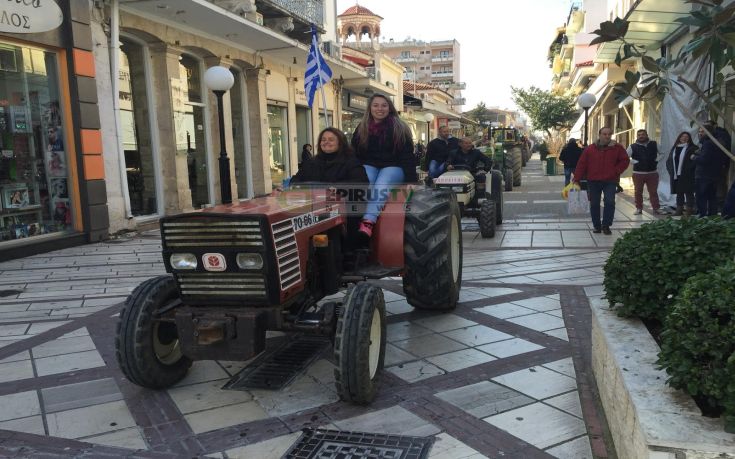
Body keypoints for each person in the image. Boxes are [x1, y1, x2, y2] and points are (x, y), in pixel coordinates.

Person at [351, 93, 415, 238]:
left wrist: (411, 181)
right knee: (365, 180)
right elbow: (354, 154)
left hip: (394, 166)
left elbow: (407, 156)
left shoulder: (400, 127)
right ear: (370, 108)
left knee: (382, 183)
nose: (380, 109)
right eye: (376, 105)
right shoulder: (362, 128)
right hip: (370, 165)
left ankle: (368, 221)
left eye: (384, 105)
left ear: (390, 108)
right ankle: (355, 218)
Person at [573, 127, 630, 235]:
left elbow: (625, 160)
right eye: (604, 134)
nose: (607, 136)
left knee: (609, 202)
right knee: (594, 204)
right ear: (599, 135)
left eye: (609, 134)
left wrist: (616, 170)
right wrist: (577, 178)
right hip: (593, 181)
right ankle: (597, 226)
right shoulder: (590, 148)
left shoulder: (617, 148)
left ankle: (606, 225)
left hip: (610, 180)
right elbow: (582, 164)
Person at [291, 129, 367, 185]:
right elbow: (296, 180)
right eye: (323, 140)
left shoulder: (351, 162)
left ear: (340, 143)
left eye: (331, 140)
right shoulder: (311, 162)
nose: (326, 142)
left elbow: (361, 185)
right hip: (312, 204)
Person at [695, 123, 729, 217]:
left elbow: (704, 160)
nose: (700, 134)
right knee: (712, 197)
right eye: (699, 131)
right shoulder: (718, 142)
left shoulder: (708, 144)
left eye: (702, 131)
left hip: (704, 175)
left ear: (708, 132)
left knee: (701, 196)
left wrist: (694, 157)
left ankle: (702, 215)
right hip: (714, 175)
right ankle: (712, 215)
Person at [627, 129, 662, 215]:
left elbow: (662, 153)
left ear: (646, 135)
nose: (641, 136)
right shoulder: (632, 146)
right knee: (638, 191)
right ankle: (639, 208)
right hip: (638, 173)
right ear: (637, 136)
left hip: (652, 173)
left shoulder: (654, 144)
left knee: (653, 192)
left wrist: (656, 160)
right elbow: (625, 157)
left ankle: (656, 208)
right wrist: (635, 162)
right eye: (639, 135)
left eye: (643, 134)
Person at [665, 131, 698, 216]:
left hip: (688, 175)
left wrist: (690, 169)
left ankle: (689, 211)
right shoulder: (675, 148)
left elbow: (695, 161)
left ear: (689, 138)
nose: (684, 138)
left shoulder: (693, 148)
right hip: (677, 175)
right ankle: (679, 210)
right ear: (679, 138)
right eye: (682, 136)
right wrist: (671, 171)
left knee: (689, 193)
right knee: (679, 193)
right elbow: (669, 161)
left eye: (686, 136)